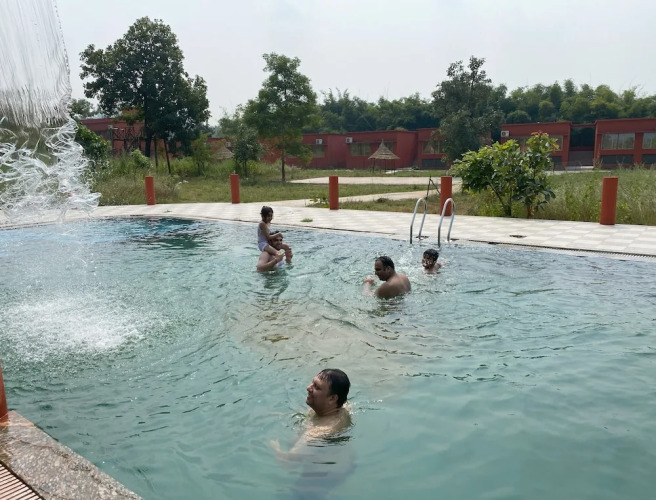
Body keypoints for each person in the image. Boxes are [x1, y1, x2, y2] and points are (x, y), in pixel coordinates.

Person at [271, 369, 351, 460]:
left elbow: (288, 462)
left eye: (317, 387)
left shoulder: (316, 433)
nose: (308, 388)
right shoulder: (343, 407)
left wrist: (275, 448)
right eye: (312, 383)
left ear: (332, 399)